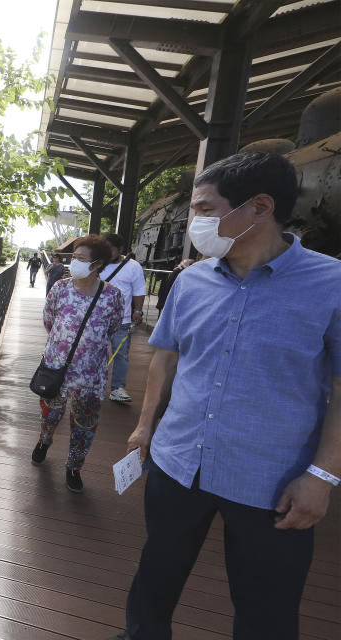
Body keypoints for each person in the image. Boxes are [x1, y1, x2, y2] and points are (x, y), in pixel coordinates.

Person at [112, 152, 341, 640]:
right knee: (156, 576)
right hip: (178, 463)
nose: (195, 221)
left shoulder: (332, 285)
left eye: (205, 208)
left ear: (259, 207)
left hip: (273, 482)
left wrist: (322, 476)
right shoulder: (190, 280)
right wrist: (144, 425)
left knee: (267, 611)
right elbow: (165, 357)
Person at [31, 235, 123, 493]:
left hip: (91, 376)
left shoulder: (113, 296)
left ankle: (74, 467)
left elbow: (112, 329)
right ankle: (44, 441)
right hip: (55, 370)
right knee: (50, 414)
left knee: (85, 425)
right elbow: (49, 321)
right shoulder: (60, 288)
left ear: (97, 264)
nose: (75, 263)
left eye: (81, 259)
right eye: (74, 257)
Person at [100, 234, 146, 403]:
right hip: (97, 320)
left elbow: (139, 290)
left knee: (121, 355)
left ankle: (117, 388)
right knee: (97, 354)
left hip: (123, 320)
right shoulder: (97, 263)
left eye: (110, 248)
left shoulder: (133, 267)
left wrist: (138, 311)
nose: (106, 252)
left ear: (120, 249)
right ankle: (95, 385)